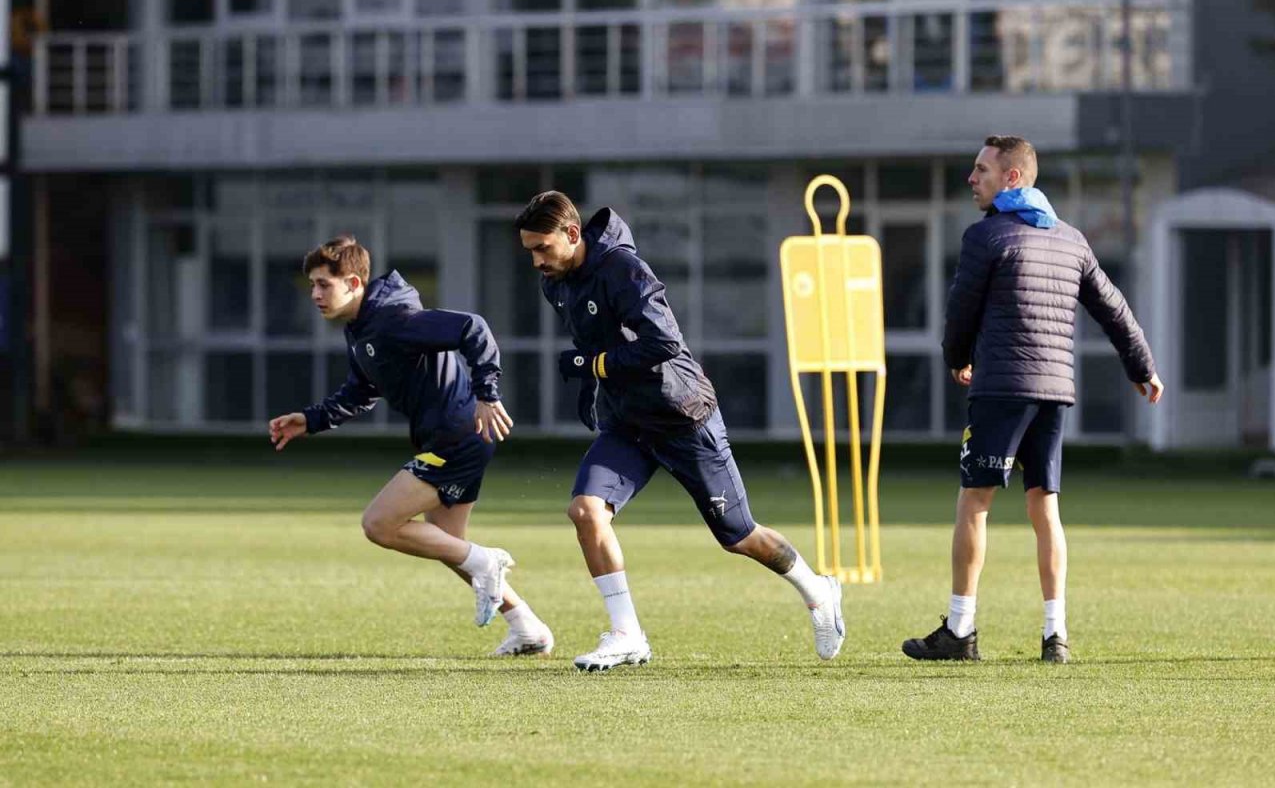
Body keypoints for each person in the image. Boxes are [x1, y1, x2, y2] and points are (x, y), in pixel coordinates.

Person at [515, 191, 845, 672]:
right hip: (627, 423)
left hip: (683, 416)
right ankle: (627, 635)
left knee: (739, 536)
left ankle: (818, 590)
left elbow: (664, 341)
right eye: (529, 251)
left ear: (571, 234)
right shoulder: (558, 282)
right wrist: (593, 389)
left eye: (542, 248)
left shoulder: (623, 269)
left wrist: (597, 365)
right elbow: (594, 342)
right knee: (586, 511)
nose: (536, 261)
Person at [902, 136, 1164, 665]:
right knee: (1045, 508)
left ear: (1012, 178)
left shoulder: (986, 237)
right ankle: (1055, 636)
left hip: (1001, 386)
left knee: (974, 503)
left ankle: (960, 630)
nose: (972, 178)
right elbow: (1113, 306)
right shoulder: (1071, 239)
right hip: (1054, 392)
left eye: (981, 170)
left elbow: (960, 312)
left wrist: (956, 358)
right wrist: (1143, 368)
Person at [268, 236, 554, 657]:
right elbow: (361, 390)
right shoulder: (361, 327)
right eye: (311, 284)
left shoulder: (394, 319)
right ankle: (527, 627)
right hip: (453, 436)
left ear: (353, 282)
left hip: (458, 434)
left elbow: (472, 327)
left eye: (323, 284)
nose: (314, 294)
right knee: (447, 544)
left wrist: (487, 393)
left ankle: (489, 563)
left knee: (379, 524)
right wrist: (310, 420)